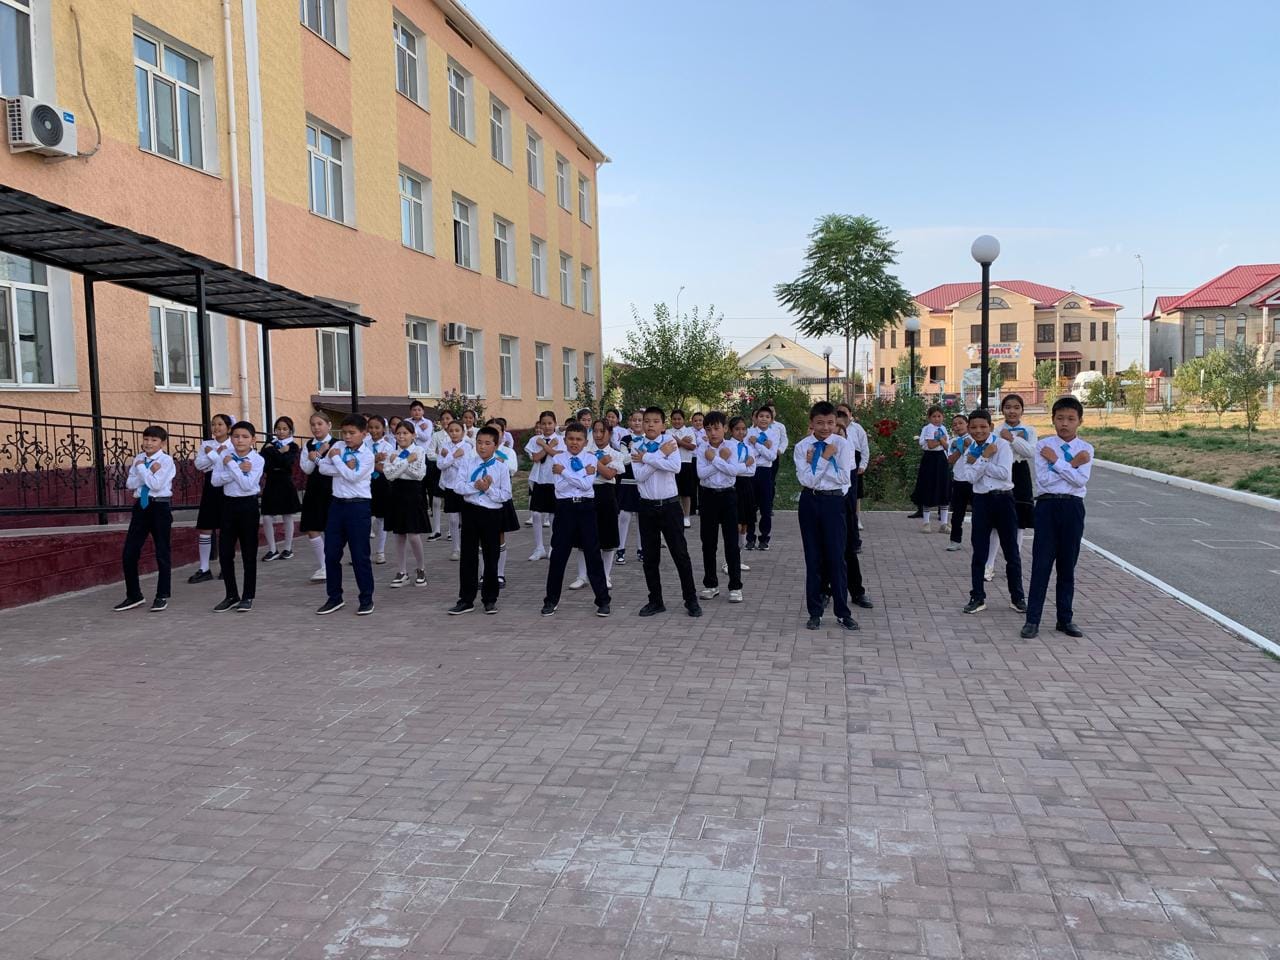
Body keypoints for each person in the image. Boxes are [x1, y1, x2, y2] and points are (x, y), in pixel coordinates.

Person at [1022, 397, 1093, 639]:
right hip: (1047, 506)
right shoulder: (1044, 446)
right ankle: (1032, 620)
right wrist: (1072, 464)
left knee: (1067, 566)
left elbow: (1080, 481)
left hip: (1072, 508)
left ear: (1080, 421)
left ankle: (1065, 619)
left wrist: (1058, 462)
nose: (1065, 423)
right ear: (1052, 419)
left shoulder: (1086, 449)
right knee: (1041, 565)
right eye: (1060, 418)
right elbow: (1045, 481)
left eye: (1071, 419)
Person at [794, 401, 858, 632]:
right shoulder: (802, 446)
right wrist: (825, 459)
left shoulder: (842, 444)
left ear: (836, 422)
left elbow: (844, 478)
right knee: (813, 558)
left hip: (833, 502)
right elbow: (806, 480)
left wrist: (816, 464)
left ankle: (842, 612)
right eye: (820, 423)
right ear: (811, 423)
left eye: (830, 423)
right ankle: (815, 612)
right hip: (810, 502)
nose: (825, 427)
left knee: (836, 558)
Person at [633, 406, 700, 617]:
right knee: (650, 557)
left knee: (680, 554)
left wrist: (647, 458)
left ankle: (691, 599)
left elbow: (675, 467)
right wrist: (661, 455)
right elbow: (640, 476)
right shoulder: (636, 445)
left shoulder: (670, 441)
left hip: (670, 506)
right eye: (647, 421)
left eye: (655, 421)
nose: (650, 425)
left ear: (663, 425)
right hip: (647, 507)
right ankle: (655, 600)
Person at [541, 422, 612, 617]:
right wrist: (580, 475)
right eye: (571, 439)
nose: (574, 442)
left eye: (579, 439)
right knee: (558, 555)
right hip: (565, 509)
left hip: (586, 508)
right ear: (565, 440)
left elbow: (587, 485)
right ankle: (551, 600)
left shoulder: (590, 458)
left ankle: (603, 601)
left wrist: (564, 472)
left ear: (585, 442)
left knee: (593, 554)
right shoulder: (558, 458)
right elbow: (560, 488)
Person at [962, 409, 1026, 616]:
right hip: (981, 501)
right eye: (973, 427)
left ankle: (1017, 597)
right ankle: (977, 596)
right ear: (968, 429)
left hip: (1004, 500)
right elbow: (970, 478)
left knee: (1011, 551)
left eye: (983, 427)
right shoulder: (970, 449)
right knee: (979, 551)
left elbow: (1004, 473)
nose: (978, 431)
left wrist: (980, 462)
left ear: (990, 427)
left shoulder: (1002, 445)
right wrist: (985, 458)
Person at [316, 414, 376, 616]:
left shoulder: (367, 455)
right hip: (337, 505)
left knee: (360, 555)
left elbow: (353, 477)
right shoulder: (339, 446)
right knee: (331, 553)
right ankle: (334, 597)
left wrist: (335, 460)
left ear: (364, 434)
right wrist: (341, 465)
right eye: (344, 433)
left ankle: (366, 598)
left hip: (358, 507)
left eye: (352, 433)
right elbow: (322, 468)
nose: (347, 437)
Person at [450, 425, 511, 615]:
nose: (482, 447)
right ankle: (466, 599)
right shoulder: (468, 462)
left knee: (491, 556)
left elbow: (505, 495)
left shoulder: (501, 467)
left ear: (496, 445)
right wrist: (476, 487)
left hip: (492, 514)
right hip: (471, 511)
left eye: (487, 443)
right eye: (479, 442)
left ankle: (490, 598)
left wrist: (488, 489)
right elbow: (458, 486)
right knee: (468, 556)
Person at [115, 425, 176, 612]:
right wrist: (147, 470)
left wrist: (142, 469)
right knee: (129, 552)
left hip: (159, 507)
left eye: (154, 440)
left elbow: (156, 485)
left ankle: (162, 595)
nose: (149, 443)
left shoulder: (166, 461)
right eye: (146, 439)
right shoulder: (139, 458)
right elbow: (130, 483)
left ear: (162, 443)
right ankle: (134, 595)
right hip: (141, 507)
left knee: (162, 552)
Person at [212, 420, 264, 613]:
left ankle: (248, 595)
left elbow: (247, 485)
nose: (240, 440)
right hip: (228, 505)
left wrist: (232, 466)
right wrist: (236, 469)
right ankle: (231, 595)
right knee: (225, 552)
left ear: (253, 439)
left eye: (244, 437)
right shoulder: (224, 455)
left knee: (249, 552)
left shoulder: (257, 460)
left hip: (248, 506)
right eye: (236, 436)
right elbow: (215, 480)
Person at [695, 411, 746, 603]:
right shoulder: (702, 448)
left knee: (731, 542)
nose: (713, 433)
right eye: (708, 429)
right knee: (708, 543)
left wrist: (715, 459)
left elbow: (733, 471)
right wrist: (721, 460)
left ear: (725, 428)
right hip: (708, 496)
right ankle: (711, 584)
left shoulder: (731, 446)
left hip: (728, 496)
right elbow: (701, 474)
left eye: (716, 428)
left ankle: (735, 586)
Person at [569, 420, 623, 589]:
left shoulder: (616, 454)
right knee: (583, 537)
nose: (598, 435)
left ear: (609, 433)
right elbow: (578, 473)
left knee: (607, 537)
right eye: (596, 431)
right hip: (586, 493)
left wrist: (595, 463)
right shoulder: (584, 452)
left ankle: (605, 576)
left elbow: (609, 474)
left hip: (606, 494)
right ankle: (582, 576)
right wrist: (599, 462)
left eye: (602, 431)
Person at [190, 413, 234, 584]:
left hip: (227, 485)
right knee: (206, 527)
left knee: (226, 527)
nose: (216, 427)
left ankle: (225, 566)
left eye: (220, 424)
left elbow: (229, 465)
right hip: (210, 486)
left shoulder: (233, 444)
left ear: (228, 427)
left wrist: (213, 457)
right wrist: (216, 453)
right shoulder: (206, 444)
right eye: (214, 424)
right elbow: (199, 465)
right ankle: (204, 568)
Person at [383, 420, 428, 588]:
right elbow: (389, 475)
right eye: (398, 433)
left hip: (413, 494)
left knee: (413, 535)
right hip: (396, 494)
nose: (401, 436)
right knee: (399, 535)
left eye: (405, 433)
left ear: (413, 435)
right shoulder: (392, 452)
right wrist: (407, 460)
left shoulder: (419, 450)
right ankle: (402, 571)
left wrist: (399, 463)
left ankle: (421, 569)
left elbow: (418, 474)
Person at [299, 411, 334, 582]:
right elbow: (306, 469)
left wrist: (320, 456)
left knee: (330, 528)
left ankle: (331, 564)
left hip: (333, 490)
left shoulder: (337, 444)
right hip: (313, 490)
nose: (316, 427)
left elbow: (336, 466)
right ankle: (324, 565)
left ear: (329, 425)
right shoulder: (308, 445)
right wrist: (318, 454)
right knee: (312, 527)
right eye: (313, 424)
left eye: (320, 424)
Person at [260, 416, 301, 562]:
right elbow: (264, 464)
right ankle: (272, 549)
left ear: (290, 430)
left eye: (285, 429)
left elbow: (286, 463)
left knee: (287, 515)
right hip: (271, 482)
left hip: (285, 482)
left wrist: (273, 452)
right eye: (278, 429)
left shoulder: (293, 446)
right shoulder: (269, 444)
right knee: (266, 516)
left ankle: (288, 548)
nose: (281, 431)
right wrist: (280, 452)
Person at [524, 410, 561, 560]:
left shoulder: (561, 439)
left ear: (555, 424)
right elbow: (536, 458)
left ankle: (553, 546)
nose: (547, 426)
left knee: (553, 514)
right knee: (536, 513)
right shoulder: (535, 440)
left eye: (550, 423)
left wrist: (546, 445)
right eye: (544, 423)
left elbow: (559, 456)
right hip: (539, 479)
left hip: (554, 480)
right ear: (540, 424)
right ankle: (539, 547)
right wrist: (548, 446)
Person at [436, 418, 473, 561]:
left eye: (457, 430)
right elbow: (440, 465)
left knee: (466, 519)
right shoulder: (444, 446)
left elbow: (465, 467)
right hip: (449, 486)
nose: (454, 433)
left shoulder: (467, 447)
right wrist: (453, 456)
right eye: (451, 431)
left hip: (463, 486)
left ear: (463, 432)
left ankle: (468, 546)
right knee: (452, 519)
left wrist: (449, 458)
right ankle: (455, 548)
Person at [836, 403, 870, 548]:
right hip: (837, 470)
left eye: (845, 412)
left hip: (852, 468)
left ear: (850, 414)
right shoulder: (833, 434)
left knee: (852, 502)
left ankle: (854, 541)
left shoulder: (856, 430)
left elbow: (864, 448)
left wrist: (862, 465)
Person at [913, 405, 951, 533]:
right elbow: (930, 445)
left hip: (941, 459)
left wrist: (941, 442)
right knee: (928, 488)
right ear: (929, 418)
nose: (937, 419)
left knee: (943, 488)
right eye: (934, 416)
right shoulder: (928, 428)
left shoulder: (943, 428)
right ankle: (926, 522)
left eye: (939, 416)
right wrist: (941, 440)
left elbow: (947, 446)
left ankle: (944, 523)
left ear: (943, 417)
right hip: (930, 459)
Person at [745, 406, 779, 550]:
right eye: (761, 416)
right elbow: (748, 453)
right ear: (755, 418)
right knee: (750, 506)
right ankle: (750, 538)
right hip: (751, 471)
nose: (764, 419)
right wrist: (764, 446)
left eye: (767, 417)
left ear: (771, 420)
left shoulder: (773, 434)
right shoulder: (749, 433)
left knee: (766, 507)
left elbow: (772, 456)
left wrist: (757, 443)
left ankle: (764, 538)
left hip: (766, 472)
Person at [614, 410, 643, 566]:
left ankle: (641, 549)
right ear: (630, 422)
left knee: (642, 516)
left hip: (642, 481)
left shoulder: (649, 439)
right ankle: (620, 550)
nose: (637, 423)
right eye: (634, 420)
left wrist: (637, 453)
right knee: (624, 515)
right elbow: (624, 460)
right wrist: (633, 450)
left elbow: (648, 458)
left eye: (640, 420)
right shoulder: (625, 439)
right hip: (627, 481)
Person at [728, 416, 758, 565]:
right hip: (734, 485)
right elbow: (731, 470)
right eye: (737, 429)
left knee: (746, 522)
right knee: (736, 522)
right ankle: (730, 559)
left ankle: (738, 557)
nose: (741, 432)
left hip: (747, 485)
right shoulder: (728, 446)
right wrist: (745, 464)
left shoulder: (748, 447)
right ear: (730, 430)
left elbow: (752, 471)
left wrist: (741, 467)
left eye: (743, 429)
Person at [366, 415, 393, 565]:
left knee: (381, 518)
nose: (374, 430)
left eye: (377, 427)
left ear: (383, 429)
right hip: (365, 483)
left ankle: (380, 551)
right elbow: (358, 463)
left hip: (382, 484)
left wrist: (370, 463)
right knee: (366, 517)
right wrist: (374, 459)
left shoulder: (388, 447)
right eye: (371, 427)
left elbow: (385, 469)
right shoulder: (364, 444)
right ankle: (364, 551)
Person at [667, 409, 699, 527]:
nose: (677, 421)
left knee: (686, 493)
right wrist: (682, 442)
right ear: (671, 420)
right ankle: (674, 516)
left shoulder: (689, 431)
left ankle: (686, 517)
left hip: (686, 463)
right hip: (671, 464)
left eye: (679, 419)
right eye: (674, 419)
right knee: (673, 492)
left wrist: (678, 441)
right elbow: (668, 447)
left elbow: (692, 447)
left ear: (684, 420)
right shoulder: (668, 432)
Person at [945, 412, 972, 553]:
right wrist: (960, 449)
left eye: (961, 423)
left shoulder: (974, 438)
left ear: (967, 424)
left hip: (974, 481)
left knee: (979, 513)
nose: (958, 426)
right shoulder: (953, 441)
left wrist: (969, 445)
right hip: (959, 480)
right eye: (955, 424)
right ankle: (955, 540)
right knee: (957, 514)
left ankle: (978, 541)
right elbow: (950, 460)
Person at [425, 409, 452, 540]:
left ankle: (452, 530)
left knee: (451, 500)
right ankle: (436, 530)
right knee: (436, 500)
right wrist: (442, 458)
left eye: (448, 418)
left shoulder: (458, 434)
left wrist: (449, 459)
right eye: (443, 419)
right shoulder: (437, 435)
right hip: (439, 470)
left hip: (453, 471)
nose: (445, 421)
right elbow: (430, 453)